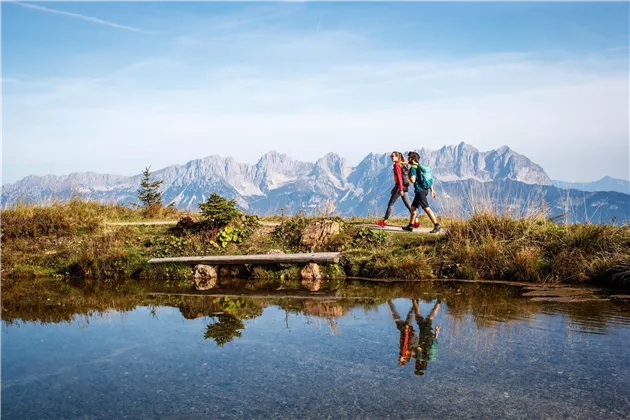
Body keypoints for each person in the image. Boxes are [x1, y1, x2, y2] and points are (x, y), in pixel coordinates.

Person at [376, 152, 419, 228]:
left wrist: (400, 189)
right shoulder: (402, 163)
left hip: (400, 188)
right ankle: (416, 221)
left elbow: (399, 177)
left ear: (397, 157)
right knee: (408, 205)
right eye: (391, 156)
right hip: (404, 187)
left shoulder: (396, 165)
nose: (391, 157)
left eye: (393, 156)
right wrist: (395, 188)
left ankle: (384, 222)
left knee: (390, 204)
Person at [403, 151, 441, 233]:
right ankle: (410, 226)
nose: (408, 159)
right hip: (424, 190)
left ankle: (437, 225)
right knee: (413, 208)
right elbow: (427, 179)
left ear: (413, 159)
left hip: (420, 191)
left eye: (409, 157)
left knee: (427, 209)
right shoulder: (420, 167)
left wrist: (408, 173)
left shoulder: (413, 168)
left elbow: (412, 180)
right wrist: (432, 190)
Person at [412, 299, 441, 376]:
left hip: (428, 335)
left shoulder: (430, 357)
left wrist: (437, 332)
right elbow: (419, 348)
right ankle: (414, 300)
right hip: (424, 334)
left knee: (428, 318)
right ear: (419, 365)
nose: (415, 365)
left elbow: (434, 343)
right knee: (422, 317)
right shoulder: (419, 357)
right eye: (416, 366)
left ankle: (438, 303)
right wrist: (413, 351)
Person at [387, 300, 420, 367]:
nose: (399, 359)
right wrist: (406, 331)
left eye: (399, 360)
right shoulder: (404, 353)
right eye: (400, 360)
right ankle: (415, 301)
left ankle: (416, 301)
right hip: (406, 330)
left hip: (404, 330)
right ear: (404, 359)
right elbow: (405, 341)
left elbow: (403, 341)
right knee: (409, 314)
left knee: (400, 316)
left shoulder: (404, 353)